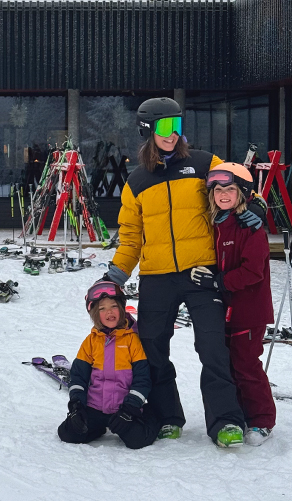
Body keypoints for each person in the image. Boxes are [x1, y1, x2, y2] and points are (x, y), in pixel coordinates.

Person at [105, 97, 263, 448]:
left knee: (212, 346)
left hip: (201, 274)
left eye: (177, 125)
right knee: (153, 349)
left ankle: (225, 421)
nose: (172, 134)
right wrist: (115, 275)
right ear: (147, 130)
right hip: (157, 277)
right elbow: (131, 236)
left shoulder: (206, 163)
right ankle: (167, 416)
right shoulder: (137, 180)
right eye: (164, 127)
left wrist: (255, 211)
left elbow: (238, 189)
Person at [189, 163, 276, 446]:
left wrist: (218, 282)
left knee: (246, 365)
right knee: (227, 365)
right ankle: (238, 413)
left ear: (242, 193)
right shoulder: (217, 224)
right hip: (224, 310)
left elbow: (253, 272)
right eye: (218, 190)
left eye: (230, 189)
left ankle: (262, 420)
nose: (223, 194)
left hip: (248, 311)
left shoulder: (250, 229)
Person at [58, 279, 160, 449]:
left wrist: (130, 409)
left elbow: (142, 379)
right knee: (67, 433)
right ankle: (97, 428)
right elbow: (78, 377)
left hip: (123, 410)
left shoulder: (132, 341)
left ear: (121, 309)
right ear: (95, 315)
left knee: (138, 440)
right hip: (95, 407)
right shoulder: (90, 342)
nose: (109, 312)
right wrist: (76, 406)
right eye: (102, 308)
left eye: (113, 306)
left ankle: (152, 415)